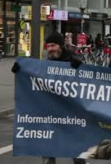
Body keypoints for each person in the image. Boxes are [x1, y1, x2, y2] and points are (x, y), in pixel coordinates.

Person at [12, 32, 85, 164]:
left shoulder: (73, 60)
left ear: (61, 46)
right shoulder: (44, 65)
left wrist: (80, 67)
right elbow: (32, 80)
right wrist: (20, 71)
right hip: (50, 115)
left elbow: (89, 82)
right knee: (48, 150)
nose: (50, 49)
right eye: (48, 46)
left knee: (77, 153)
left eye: (53, 45)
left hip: (71, 115)